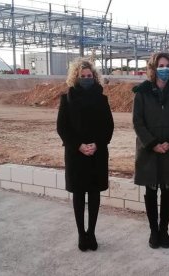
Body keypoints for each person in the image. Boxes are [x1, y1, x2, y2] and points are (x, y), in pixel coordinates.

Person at [132, 52, 169, 249]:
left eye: (167, 65)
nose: (164, 69)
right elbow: (137, 121)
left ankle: (164, 230)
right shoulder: (142, 92)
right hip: (149, 149)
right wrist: (152, 143)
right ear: (153, 68)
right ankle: (153, 231)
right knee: (151, 189)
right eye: (160, 65)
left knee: (167, 189)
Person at [57, 58, 114, 251]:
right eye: (83, 76)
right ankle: (82, 234)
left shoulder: (102, 99)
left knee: (95, 194)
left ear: (94, 77)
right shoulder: (67, 98)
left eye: (89, 76)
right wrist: (79, 146)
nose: (86, 79)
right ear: (76, 77)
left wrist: (97, 144)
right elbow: (62, 128)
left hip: (97, 155)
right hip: (76, 154)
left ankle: (92, 233)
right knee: (79, 196)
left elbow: (108, 127)